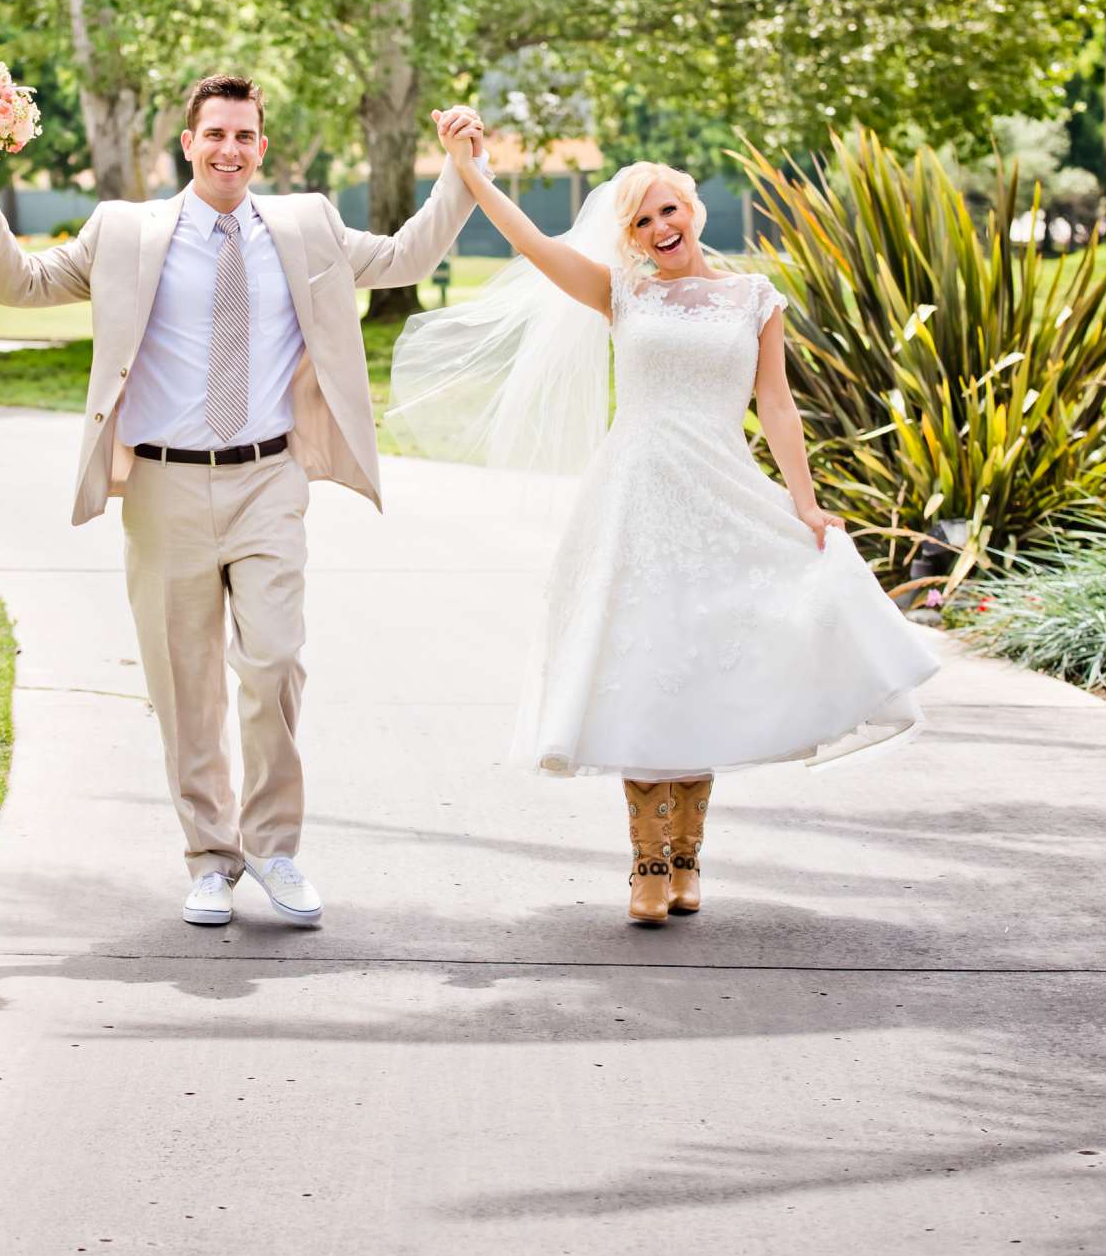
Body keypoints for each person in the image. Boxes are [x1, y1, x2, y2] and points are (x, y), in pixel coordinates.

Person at [0, 74, 487, 929]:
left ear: (261, 148)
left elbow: (404, 259)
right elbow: (20, 285)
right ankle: (209, 857)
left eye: (244, 135)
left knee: (272, 660)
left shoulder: (305, 224)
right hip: (161, 484)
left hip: (268, 477)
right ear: (187, 146)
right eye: (214, 135)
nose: (229, 149)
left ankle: (274, 848)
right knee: (183, 683)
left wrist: (460, 172)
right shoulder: (124, 231)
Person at [388, 119, 939, 925]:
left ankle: (687, 860)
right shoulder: (622, 292)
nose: (659, 229)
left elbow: (775, 405)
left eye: (669, 210)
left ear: (694, 210)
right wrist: (471, 172)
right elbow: (532, 239)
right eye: (642, 221)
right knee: (646, 663)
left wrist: (803, 499)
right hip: (635, 498)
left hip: (721, 492)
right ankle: (646, 863)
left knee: (703, 664)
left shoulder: (754, 297)